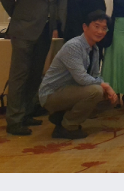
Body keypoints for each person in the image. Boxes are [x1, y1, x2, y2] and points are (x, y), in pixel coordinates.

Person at [0, 0, 67, 136]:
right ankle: (14, 121)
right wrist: (20, 18)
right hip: (24, 32)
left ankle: (27, 113)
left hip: (45, 33)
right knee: (19, 76)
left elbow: (54, 5)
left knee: (35, 75)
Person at [39, 10, 118, 139]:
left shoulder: (95, 48)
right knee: (96, 91)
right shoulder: (73, 46)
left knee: (108, 98)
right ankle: (68, 126)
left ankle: (62, 116)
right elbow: (81, 78)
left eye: (104, 28)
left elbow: (95, 75)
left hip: (72, 91)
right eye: (96, 26)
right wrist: (106, 86)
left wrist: (107, 89)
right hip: (52, 93)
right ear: (85, 27)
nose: (100, 31)